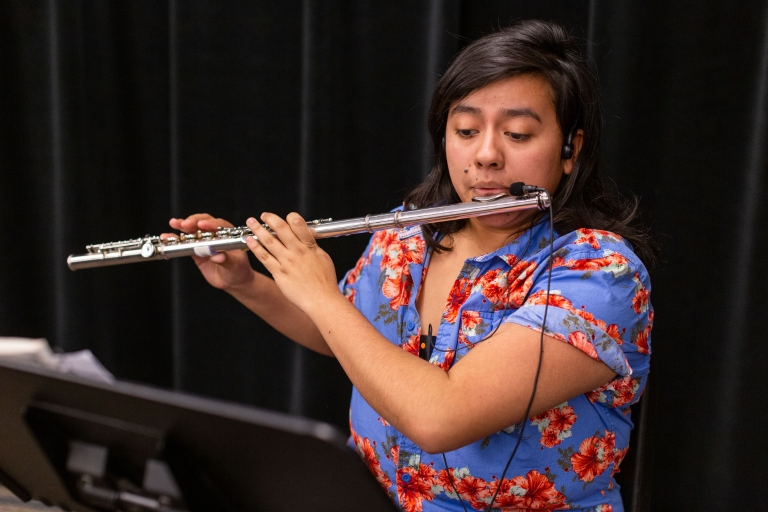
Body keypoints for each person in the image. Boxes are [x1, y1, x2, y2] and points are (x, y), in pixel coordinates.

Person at [170, 20, 655, 512]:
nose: (486, 155)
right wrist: (247, 282)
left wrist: (317, 291)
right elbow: (343, 334)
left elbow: (440, 417)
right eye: (465, 130)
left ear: (570, 149)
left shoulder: (600, 272)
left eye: (517, 133)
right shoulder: (409, 235)